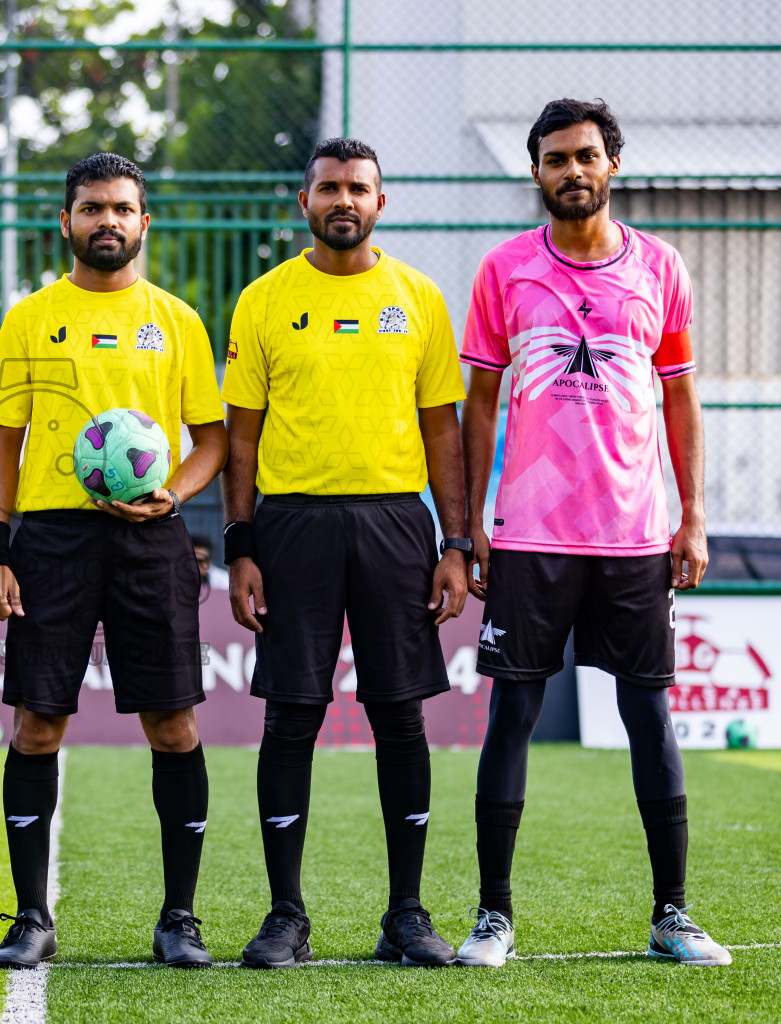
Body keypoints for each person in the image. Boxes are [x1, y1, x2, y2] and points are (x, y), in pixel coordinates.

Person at [456, 98, 729, 968]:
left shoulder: (661, 268)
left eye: (585, 156)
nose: (571, 171)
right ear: (535, 173)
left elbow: (680, 393)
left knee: (649, 716)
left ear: (612, 165)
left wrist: (692, 515)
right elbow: (480, 403)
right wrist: (470, 526)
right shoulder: (503, 269)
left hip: (636, 534)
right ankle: (493, 917)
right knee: (513, 715)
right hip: (531, 534)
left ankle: (672, 915)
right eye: (554, 159)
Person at [221, 137, 470, 969]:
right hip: (291, 528)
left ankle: (406, 914)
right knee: (291, 716)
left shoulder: (419, 298)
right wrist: (241, 545)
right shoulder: (263, 300)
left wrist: (457, 542)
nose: (343, 199)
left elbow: (444, 428)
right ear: (305, 202)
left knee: (400, 715)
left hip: (398, 526)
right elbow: (241, 438)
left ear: (380, 203)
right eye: (328, 187)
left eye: (358, 188)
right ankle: (285, 915)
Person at [0, 153, 227, 969]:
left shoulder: (178, 320)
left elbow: (213, 439)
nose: (107, 222)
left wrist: (174, 496)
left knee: (174, 722)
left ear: (143, 222)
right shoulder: (28, 318)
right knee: (38, 723)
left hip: (150, 540)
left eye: (122, 209)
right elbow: (0, 439)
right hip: (49, 537)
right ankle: (29, 916)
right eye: (91, 209)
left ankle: (179, 917)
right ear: (67, 221)